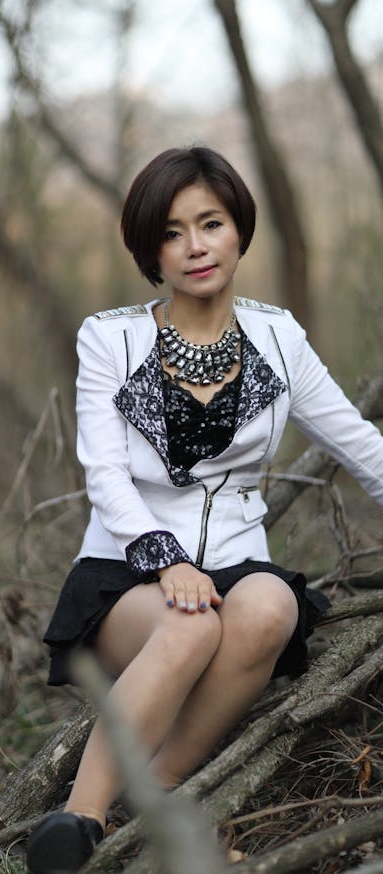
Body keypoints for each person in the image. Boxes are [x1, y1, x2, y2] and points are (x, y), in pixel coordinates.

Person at [26, 146, 383, 874]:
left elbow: (360, 445)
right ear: (149, 250)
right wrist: (166, 561)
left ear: (238, 230)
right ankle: (78, 822)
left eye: (210, 223)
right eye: (171, 232)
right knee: (192, 627)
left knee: (269, 608)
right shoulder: (111, 336)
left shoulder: (278, 337)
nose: (194, 246)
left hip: (236, 557)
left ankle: (156, 792)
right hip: (127, 567)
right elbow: (104, 473)